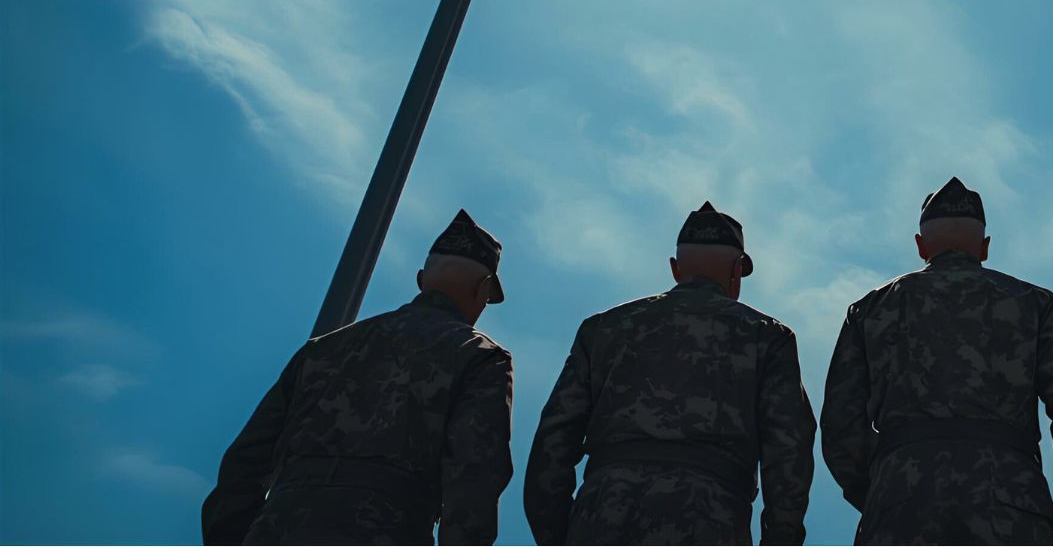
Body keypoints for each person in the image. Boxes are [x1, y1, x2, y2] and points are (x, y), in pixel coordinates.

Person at [822, 177, 1053, 545]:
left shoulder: (871, 309)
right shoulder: (1035, 305)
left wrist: (883, 488)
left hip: (901, 505)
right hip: (1011, 506)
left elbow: (839, 425)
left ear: (920, 245)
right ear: (985, 247)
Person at [202, 209, 514, 545]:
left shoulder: (322, 349)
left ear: (421, 280)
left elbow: (244, 463)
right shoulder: (480, 357)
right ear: (482, 290)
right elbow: (474, 480)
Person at [524, 202, 815, 545]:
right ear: (737, 270)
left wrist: (562, 536)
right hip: (709, 519)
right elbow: (788, 453)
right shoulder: (766, 337)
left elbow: (553, 440)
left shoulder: (603, 329)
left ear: (675, 269)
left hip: (602, 516)